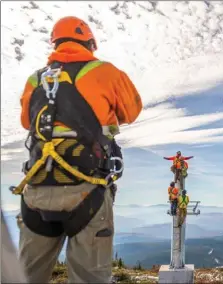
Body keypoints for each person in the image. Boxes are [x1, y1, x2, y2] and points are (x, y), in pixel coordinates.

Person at [15, 16, 142, 283]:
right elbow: (132, 110)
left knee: (26, 276)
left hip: (36, 190)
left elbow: (26, 121)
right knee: (89, 277)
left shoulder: (34, 80)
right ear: (89, 42)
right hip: (86, 188)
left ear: (55, 43)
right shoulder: (105, 72)